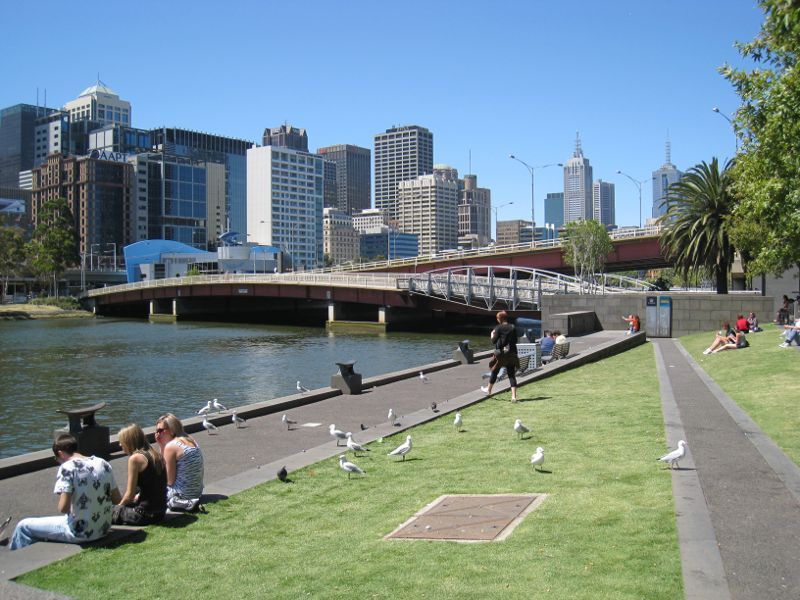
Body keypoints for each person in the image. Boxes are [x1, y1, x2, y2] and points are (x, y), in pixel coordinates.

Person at [10, 434, 121, 550]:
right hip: (103, 529)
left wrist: (66, 493)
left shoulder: (67, 468)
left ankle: (18, 559)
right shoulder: (103, 463)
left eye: (56, 458)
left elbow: (64, 508)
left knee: (23, 526)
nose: (58, 461)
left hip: (80, 531)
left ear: (60, 453)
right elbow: (117, 499)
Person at [113, 424, 167, 525]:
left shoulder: (135, 459)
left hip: (143, 515)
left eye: (121, 441)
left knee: (107, 510)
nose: (120, 444)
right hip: (160, 513)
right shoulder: (156, 455)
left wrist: (117, 508)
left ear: (129, 441)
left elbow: (129, 495)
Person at [155, 413, 204, 507]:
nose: (157, 434)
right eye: (156, 430)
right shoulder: (189, 438)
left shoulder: (171, 446)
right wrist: (162, 445)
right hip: (196, 492)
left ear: (172, 430)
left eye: (161, 430)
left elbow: (169, 480)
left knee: (148, 489)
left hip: (181, 495)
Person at [481, 310, 520, 402]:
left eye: (498, 318)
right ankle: (514, 396)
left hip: (501, 353)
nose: (497, 320)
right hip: (512, 352)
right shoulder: (513, 327)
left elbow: (494, 341)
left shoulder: (498, 328)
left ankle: (489, 390)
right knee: (511, 374)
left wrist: (492, 335)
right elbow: (515, 341)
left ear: (500, 319)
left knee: (495, 370)